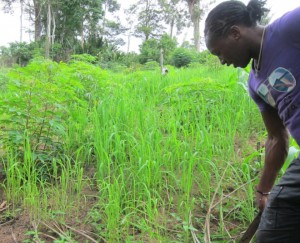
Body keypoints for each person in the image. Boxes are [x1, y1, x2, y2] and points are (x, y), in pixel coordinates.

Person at [204, 0, 300, 242]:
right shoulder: (255, 84)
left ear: (235, 33)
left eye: (219, 52)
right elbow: (277, 137)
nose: (222, 61)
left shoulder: (288, 28)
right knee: (275, 225)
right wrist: (263, 190)